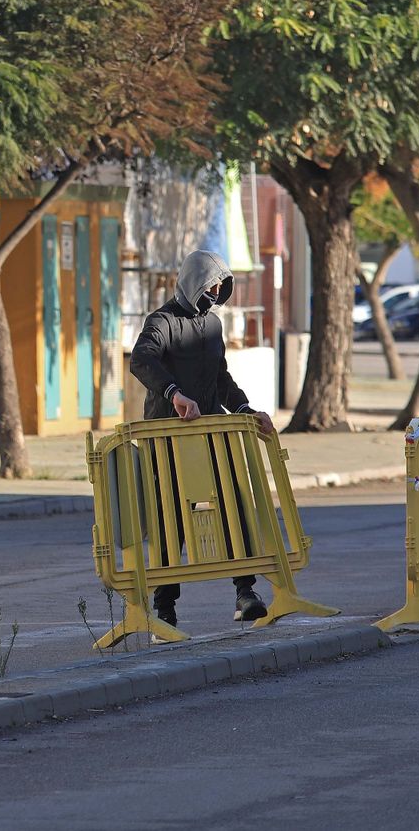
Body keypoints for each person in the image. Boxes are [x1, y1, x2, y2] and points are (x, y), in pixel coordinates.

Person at [128, 250, 277, 633]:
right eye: (210, 285)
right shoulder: (162, 321)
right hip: (168, 441)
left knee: (233, 506)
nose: (214, 293)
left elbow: (220, 379)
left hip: (211, 436)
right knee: (170, 519)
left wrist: (245, 410)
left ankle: (246, 593)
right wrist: (175, 394)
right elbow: (141, 359)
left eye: (220, 287)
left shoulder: (212, 325)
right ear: (193, 282)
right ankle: (164, 610)